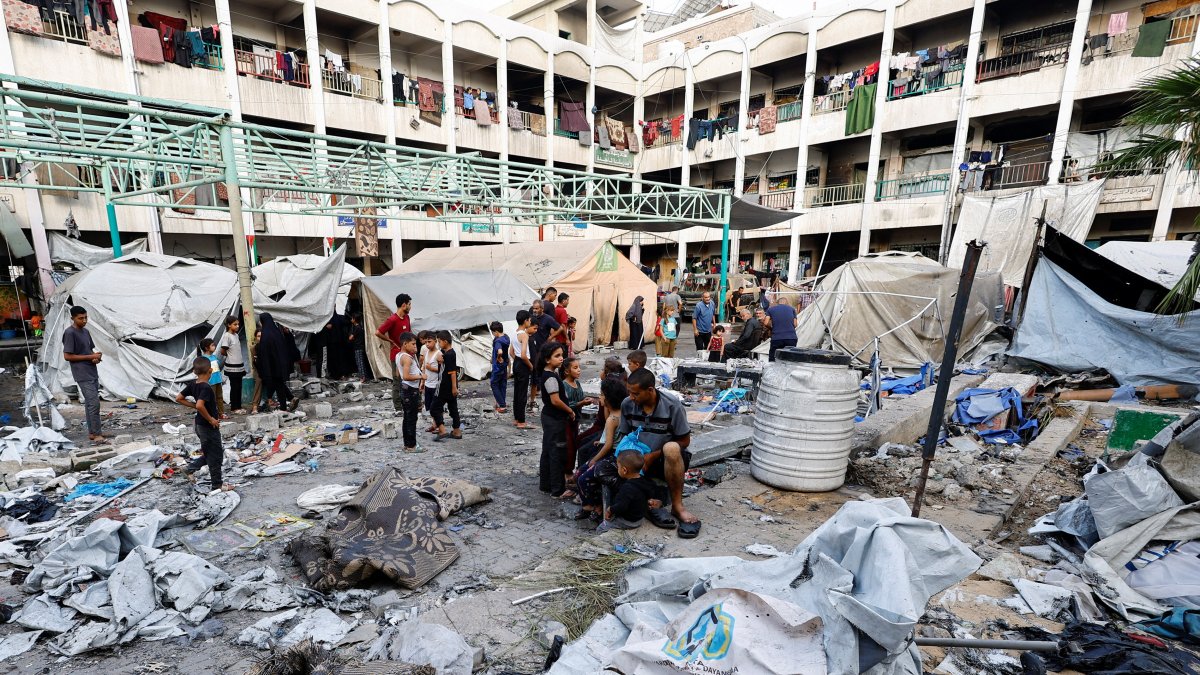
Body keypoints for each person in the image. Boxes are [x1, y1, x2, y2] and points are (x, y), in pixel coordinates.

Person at [620, 368, 700, 538]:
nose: (632, 398)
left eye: (635, 394)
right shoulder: (628, 404)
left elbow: (684, 441)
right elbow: (625, 437)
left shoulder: (672, 406)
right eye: (629, 393)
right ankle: (646, 504)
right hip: (638, 459)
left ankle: (677, 507)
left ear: (650, 390)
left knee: (671, 448)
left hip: (665, 460)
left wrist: (652, 456)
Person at [574, 377, 628, 521]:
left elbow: (609, 444)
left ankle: (591, 506)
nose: (599, 397)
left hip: (610, 455)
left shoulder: (612, 419)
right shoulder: (621, 413)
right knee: (581, 473)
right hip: (614, 452)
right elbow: (610, 436)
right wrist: (601, 440)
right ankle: (593, 505)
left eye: (602, 394)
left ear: (609, 398)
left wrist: (594, 460)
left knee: (582, 477)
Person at [176, 357, 231, 492]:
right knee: (216, 456)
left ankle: (189, 469)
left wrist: (194, 405)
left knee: (210, 453)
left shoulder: (193, 384)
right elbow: (201, 405)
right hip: (207, 426)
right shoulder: (206, 387)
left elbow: (179, 398)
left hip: (199, 425)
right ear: (211, 370)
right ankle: (217, 485)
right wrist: (211, 419)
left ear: (195, 372)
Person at [63, 306, 104, 443]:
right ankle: (97, 434)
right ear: (73, 318)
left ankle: (93, 432)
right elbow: (67, 356)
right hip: (82, 373)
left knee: (90, 404)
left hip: (91, 370)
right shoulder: (70, 333)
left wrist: (95, 358)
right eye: (81, 318)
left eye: (86, 317)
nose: (84, 320)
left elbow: (88, 350)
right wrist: (89, 357)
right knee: (94, 403)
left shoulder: (85, 332)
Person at [537, 342, 573, 497]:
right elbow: (556, 400)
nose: (561, 359)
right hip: (554, 418)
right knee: (556, 452)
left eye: (562, 355)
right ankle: (557, 489)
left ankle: (546, 485)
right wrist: (570, 410)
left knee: (548, 450)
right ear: (547, 359)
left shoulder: (550, 374)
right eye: (557, 356)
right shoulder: (550, 377)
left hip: (549, 416)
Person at [599, 450, 658, 532]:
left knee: (602, 527)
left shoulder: (627, 488)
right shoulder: (644, 480)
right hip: (639, 518)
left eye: (618, 467)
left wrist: (610, 509)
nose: (617, 469)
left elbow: (621, 506)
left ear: (624, 470)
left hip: (629, 521)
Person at [256, 313, 300, 413]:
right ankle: (291, 398)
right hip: (282, 363)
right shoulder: (277, 332)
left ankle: (284, 407)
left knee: (278, 385)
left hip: (272, 365)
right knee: (279, 383)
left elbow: (264, 352)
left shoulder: (265, 335)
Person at [376, 293, 413, 411]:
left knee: (409, 379)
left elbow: (409, 334)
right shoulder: (392, 319)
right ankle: (398, 408)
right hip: (396, 355)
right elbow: (378, 332)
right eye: (409, 304)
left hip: (408, 355)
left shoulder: (407, 318)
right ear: (403, 305)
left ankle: (409, 404)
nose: (410, 306)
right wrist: (389, 340)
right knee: (397, 381)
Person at [395, 332, 424, 453]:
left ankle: (407, 444)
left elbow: (398, 374)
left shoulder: (399, 355)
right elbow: (406, 376)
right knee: (411, 418)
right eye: (412, 344)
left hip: (406, 389)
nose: (415, 346)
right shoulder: (407, 358)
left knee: (407, 418)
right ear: (405, 344)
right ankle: (411, 445)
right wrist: (421, 376)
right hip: (410, 391)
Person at [432, 330, 462, 441]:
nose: (438, 344)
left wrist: (454, 387)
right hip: (449, 386)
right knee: (453, 407)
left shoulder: (449, 355)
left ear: (445, 341)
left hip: (444, 386)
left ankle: (442, 430)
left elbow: (453, 372)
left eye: (439, 341)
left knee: (434, 408)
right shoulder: (448, 353)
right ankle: (457, 431)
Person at [511, 311, 536, 430]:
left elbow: (511, 352)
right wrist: (530, 366)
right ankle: (521, 421)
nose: (530, 322)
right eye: (529, 320)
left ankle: (516, 418)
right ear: (526, 320)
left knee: (517, 392)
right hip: (523, 363)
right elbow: (524, 354)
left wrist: (518, 362)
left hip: (516, 363)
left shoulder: (514, 333)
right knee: (522, 393)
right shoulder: (524, 335)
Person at [218, 316, 245, 413]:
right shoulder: (227, 336)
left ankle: (239, 406)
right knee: (234, 387)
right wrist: (230, 356)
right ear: (229, 325)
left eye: (238, 324)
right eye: (235, 324)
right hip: (232, 366)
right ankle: (234, 407)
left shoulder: (236, 335)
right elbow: (222, 351)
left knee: (239, 386)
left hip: (239, 365)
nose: (237, 326)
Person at [197, 338, 226, 419]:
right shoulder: (204, 359)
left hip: (217, 380)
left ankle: (221, 413)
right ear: (206, 348)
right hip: (210, 382)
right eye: (212, 345)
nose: (214, 346)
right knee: (211, 399)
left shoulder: (214, 357)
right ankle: (213, 414)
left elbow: (218, 367)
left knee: (219, 397)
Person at [764, 294, 799, 361]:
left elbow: (765, 323)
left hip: (776, 338)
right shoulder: (792, 309)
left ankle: (772, 371)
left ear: (777, 303)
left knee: (773, 358)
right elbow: (795, 324)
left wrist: (771, 328)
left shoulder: (770, 309)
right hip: (791, 338)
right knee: (790, 359)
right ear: (787, 303)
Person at [419, 331, 441, 432]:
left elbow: (442, 370)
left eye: (430, 341)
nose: (427, 344)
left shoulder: (439, 354)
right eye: (426, 342)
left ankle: (440, 426)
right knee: (429, 406)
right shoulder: (426, 353)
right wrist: (422, 382)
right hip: (428, 384)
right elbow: (424, 368)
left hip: (436, 384)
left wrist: (431, 368)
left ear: (435, 341)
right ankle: (434, 424)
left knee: (436, 407)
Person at [489, 321, 510, 414]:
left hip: (498, 366)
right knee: (502, 384)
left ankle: (502, 405)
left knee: (494, 384)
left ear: (496, 331)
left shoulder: (498, 341)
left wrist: (498, 358)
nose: (493, 335)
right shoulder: (506, 337)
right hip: (505, 364)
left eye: (493, 332)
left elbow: (500, 351)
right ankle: (501, 402)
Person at [349, 314, 369, 382]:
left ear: (354, 319)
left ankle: (363, 377)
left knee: (360, 362)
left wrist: (352, 334)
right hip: (360, 346)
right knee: (361, 362)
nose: (351, 320)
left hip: (358, 347)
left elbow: (350, 338)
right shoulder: (360, 327)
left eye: (352, 318)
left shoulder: (357, 328)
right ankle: (364, 376)